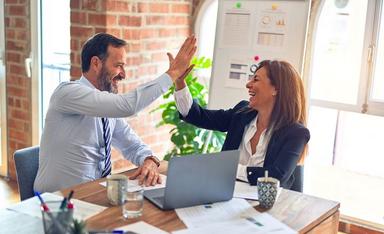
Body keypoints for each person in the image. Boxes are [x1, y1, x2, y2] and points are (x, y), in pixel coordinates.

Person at [34, 33, 196, 192]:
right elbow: (127, 106)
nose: (123, 74)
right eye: (118, 65)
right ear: (96, 63)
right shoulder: (67, 93)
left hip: (93, 193)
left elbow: (131, 144)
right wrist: (173, 73)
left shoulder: (105, 106)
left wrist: (149, 159)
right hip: (56, 201)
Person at [174, 60, 310, 190]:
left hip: (267, 206)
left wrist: (229, 168)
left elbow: (276, 176)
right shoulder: (242, 113)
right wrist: (180, 82)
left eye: (256, 79)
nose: (248, 84)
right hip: (225, 195)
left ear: (276, 89)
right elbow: (198, 116)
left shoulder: (296, 133)